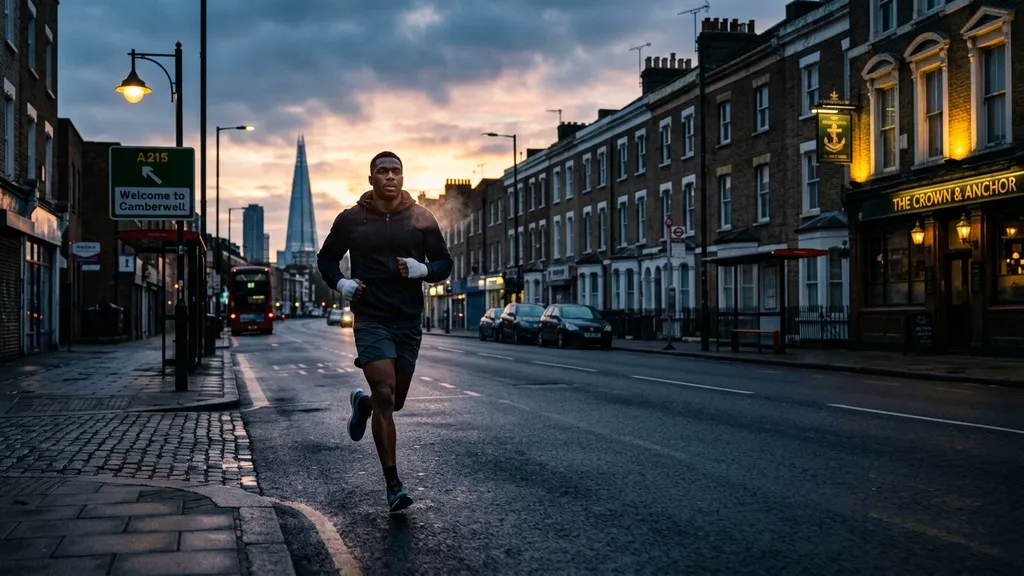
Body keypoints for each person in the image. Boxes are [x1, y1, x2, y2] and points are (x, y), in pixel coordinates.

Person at [317, 151, 453, 512]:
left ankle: (362, 405)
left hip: (408, 321)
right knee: (384, 390)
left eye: (395, 171)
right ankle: (393, 484)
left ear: (402, 178)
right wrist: (342, 284)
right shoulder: (352, 219)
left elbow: (444, 263)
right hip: (371, 318)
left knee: (394, 402)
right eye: (382, 171)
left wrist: (423, 269)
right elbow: (326, 258)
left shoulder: (421, 218)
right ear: (371, 179)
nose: (390, 176)